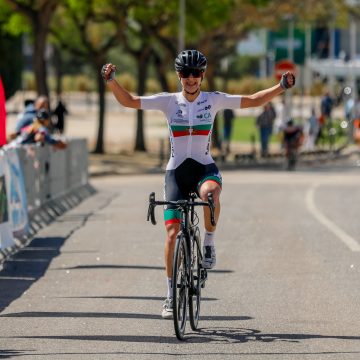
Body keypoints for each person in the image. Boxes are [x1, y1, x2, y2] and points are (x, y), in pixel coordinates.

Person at [101, 49, 295, 319]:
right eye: (185, 74)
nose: (190, 79)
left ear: (203, 75)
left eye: (195, 74)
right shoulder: (169, 102)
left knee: (211, 194)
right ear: (179, 75)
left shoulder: (213, 100)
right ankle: (170, 296)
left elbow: (252, 100)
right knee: (171, 234)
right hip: (176, 172)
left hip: (204, 168)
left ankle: (208, 243)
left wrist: (281, 86)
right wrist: (111, 82)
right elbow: (130, 101)